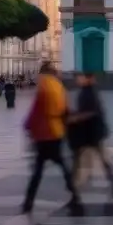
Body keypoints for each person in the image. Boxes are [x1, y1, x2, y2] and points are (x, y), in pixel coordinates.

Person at [21, 62, 74, 214]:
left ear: (43, 73)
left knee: (38, 170)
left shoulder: (44, 87)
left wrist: (28, 126)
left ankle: (28, 202)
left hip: (45, 134)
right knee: (61, 165)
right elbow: (66, 109)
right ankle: (74, 193)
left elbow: (37, 109)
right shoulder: (59, 87)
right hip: (56, 132)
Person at [67, 72, 113, 213]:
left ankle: (74, 192)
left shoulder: (89, 93)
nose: (78, 79)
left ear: (88, 78)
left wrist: (76, 118)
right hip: (90, 133)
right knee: (98, 160)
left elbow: (91, 112)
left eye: (80, 77)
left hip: (91, 133)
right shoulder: (87, 92)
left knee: (83, 162)